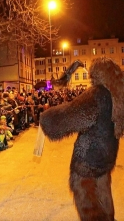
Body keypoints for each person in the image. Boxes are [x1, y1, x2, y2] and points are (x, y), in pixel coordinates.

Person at [39, 57, 123, 221]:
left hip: (88, 161)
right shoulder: (118, 95)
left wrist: (47, 117)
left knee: (89, 205)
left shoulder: (97, 94)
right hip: (106, 159)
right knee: (104, 195)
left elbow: (71, 116)